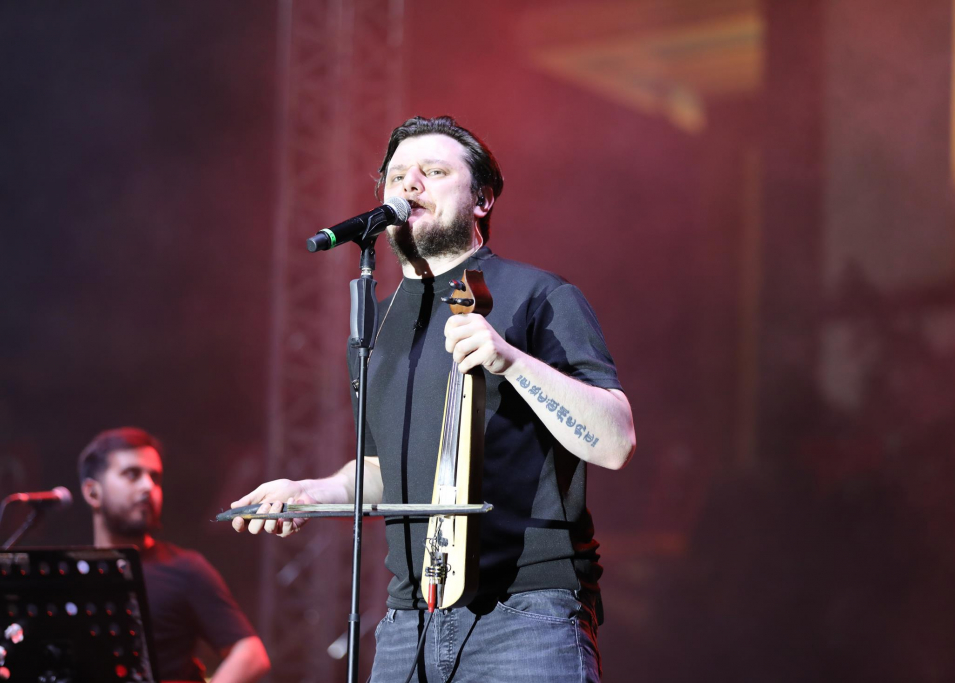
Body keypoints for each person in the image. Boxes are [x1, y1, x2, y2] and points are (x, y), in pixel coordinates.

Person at [230, 115, 636, 682]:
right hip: (409, 620)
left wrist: (512, 362)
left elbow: (615, 441)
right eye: (397, 175)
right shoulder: (377, 325)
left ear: (482, 200)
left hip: (526, 614)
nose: (409, 184)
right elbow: (383, 469)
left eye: (434, 172)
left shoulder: (538, 295)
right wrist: (309, 492)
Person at [79, 427, 271, 683]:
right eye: (132, 474)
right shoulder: (71, 576)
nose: (148, 487)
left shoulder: (185, 569)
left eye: (155, 478)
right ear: (92, 492)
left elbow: (250, 654)